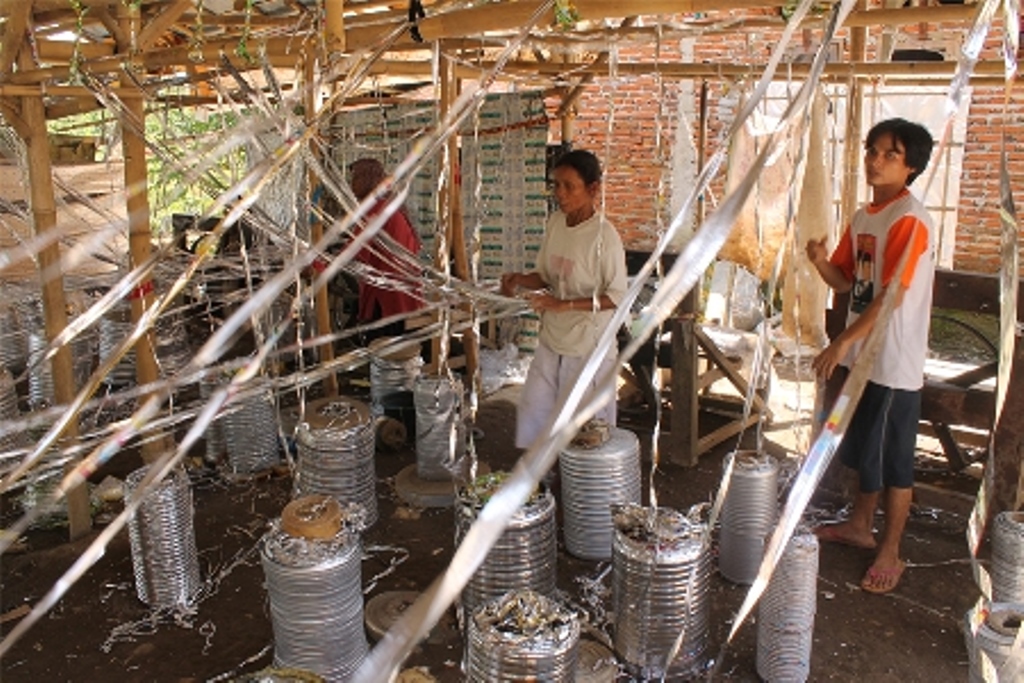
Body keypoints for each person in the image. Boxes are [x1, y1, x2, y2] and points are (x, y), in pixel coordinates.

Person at [806, 118, 935, 595]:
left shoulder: (909, 220)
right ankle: (861, 526)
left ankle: (891, 549)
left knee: (896, 461)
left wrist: (840, 340)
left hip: (893, 361)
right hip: (862, 357)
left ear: (912, 166)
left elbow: (889, 299)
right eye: (872, 151)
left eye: (890, 155)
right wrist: (820, 261)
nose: (875, 161)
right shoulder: (866, 217)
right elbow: (850, 284)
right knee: (864, 450)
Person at [501, 149, 628, 450]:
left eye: (569, 186)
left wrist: (563, 305)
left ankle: (581, 489)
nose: (560, 193)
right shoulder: (557, 222)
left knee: (584, 431)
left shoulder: (604, 237)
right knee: (535, 411)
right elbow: (545, 275)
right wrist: (518, 280)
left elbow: (617, 297)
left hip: (587, 347)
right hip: (553, 339)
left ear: (593, 189)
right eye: (556, 185)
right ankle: (542, 481)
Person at [347, 157, 425, 341]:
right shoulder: (389, 204)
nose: (352, 185)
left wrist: (318, 264)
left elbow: (352, 252)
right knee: (401, 355)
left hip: (387, 298)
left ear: (368, 179)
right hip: (403, 295)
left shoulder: (375, 210)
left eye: (356, 179)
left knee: (385, 355)